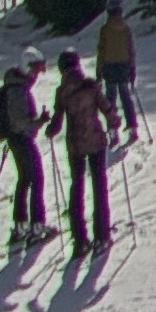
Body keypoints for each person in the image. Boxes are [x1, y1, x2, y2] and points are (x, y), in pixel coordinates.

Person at [50, 50, 114, 252]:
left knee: (77, 187)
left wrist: (49, 129)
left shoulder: (62, 92)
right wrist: (115, 121)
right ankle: (102, 235)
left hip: (75, 145)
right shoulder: (90, 85)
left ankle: (79, 239)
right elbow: (107, 109)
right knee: (99, 186)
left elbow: (57, 123)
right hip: (95, 140)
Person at [0, 59, 45, 252]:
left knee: (24, 179)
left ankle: (20, 225)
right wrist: (39, 122)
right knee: (36, 180)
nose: (36, 77)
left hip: (15, 140)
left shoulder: (13, 86)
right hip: (22, 139)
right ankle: (37, 226)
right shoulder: (19, 90)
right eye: (35, 72)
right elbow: (22, 123)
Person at [94, 0, 140, 138]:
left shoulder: (105, 30)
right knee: (126, 97)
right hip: (124, 66)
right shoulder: (126, 29)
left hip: (109, 68)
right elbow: (131, 50)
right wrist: (132, 69)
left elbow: (101, 51)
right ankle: (133, 127)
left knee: (110, 100)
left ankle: (113, 130)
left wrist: (98, 73)